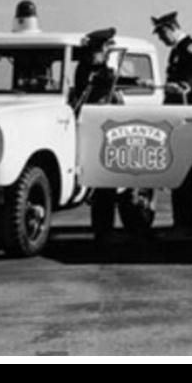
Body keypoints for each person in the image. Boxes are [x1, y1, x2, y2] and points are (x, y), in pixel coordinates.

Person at [69, 28, 127, 242]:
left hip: (97, 130)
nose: (105, 52)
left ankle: (103, 229)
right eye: (104, 48)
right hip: (99, 132)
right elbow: (102, 95)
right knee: (104, 185)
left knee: (105, 186)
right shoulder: (94, 72)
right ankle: (104, 231)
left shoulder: (89, 69)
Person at [152, 11, 192, 235]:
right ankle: (183, 221)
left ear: (171, 28)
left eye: (162, 34)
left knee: (183, 170)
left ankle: (189, 222)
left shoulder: (190, 49)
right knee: (179, 171)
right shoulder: (177, 51)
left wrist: (184, 86)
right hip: (176, 114)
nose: (161, 39)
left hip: (187, 114)